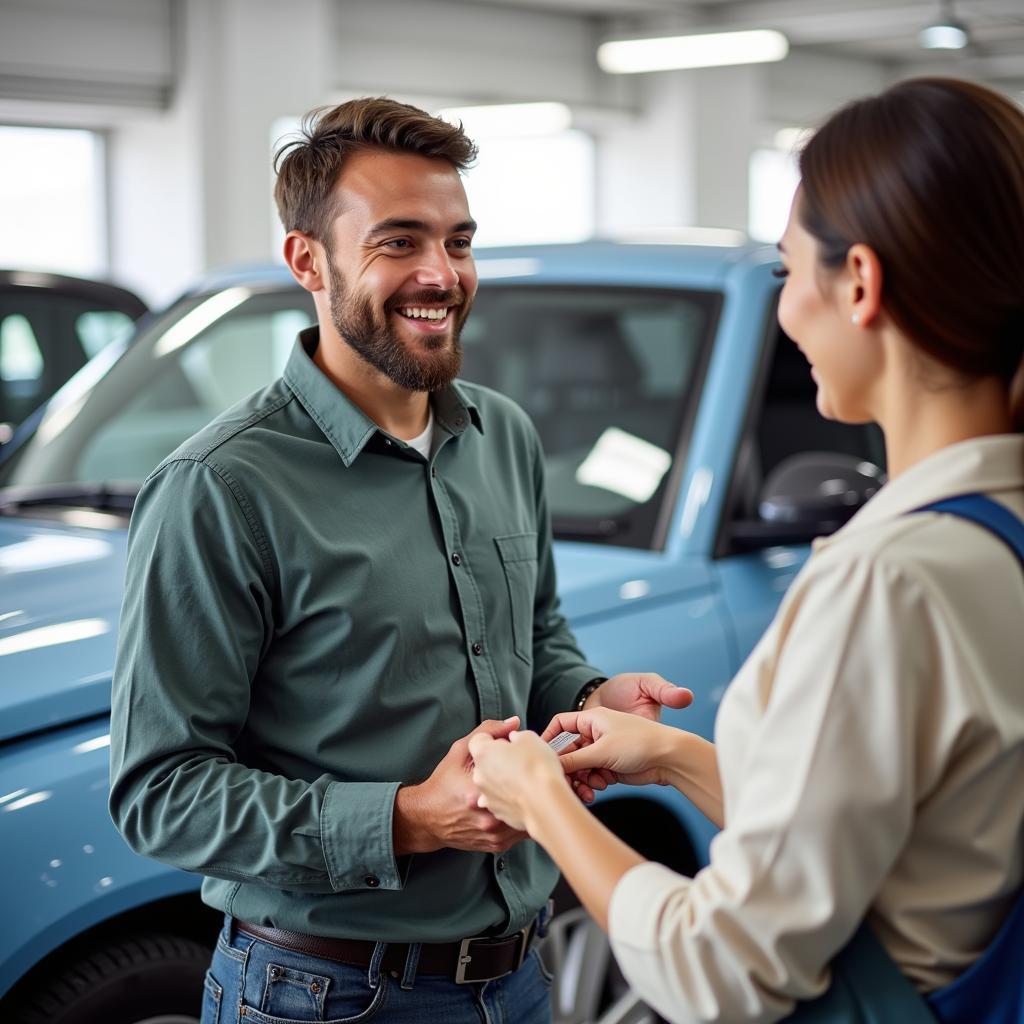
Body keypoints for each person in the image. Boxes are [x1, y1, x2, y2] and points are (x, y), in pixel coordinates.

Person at [107, 96, 691, 1024]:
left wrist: (588, 698)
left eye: (459, 242)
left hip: (520, 978)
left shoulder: (505, 436)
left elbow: (536, 637)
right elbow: (161, 793)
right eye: (398, 243)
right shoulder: (220, 487)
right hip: (321, 995)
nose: (442, 274)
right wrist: (411, 816)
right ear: (308, 259)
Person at [469, 76, 1024, 1024]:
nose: (786, 311)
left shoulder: (887, 582)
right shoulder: (993, 533)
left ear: (859, 283)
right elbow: (883, 844)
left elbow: (723, 965)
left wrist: (540, 805)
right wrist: (679, 757)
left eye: (786, 273)